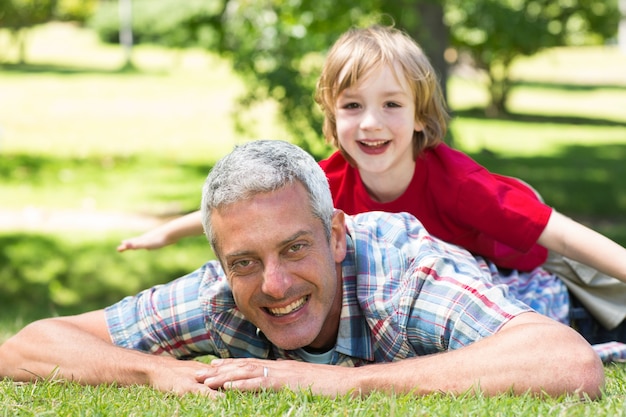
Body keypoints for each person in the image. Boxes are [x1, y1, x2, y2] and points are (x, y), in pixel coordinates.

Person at [116, 25, 626, 344]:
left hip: (512, 278)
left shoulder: (459, 184)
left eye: (392, 105)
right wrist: (167, 233)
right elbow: (251, 208)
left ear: (421, 117)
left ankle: (592, 319)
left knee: (534, 322)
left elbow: (558, 234)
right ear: (332, 117)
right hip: (427, 290)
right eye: (353, 106)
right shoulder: (329, 178)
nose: (370, 124)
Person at [0, 140, 604, 398]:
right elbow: (24, 349)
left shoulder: (405, 278)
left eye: (295, 249)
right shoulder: (220, 295)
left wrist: (343, 384)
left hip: (545, 295)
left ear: (336, 234)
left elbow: (567, 361)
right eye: (245, 262)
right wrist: (157, 377)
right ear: (221, 266)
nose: (275, 284)